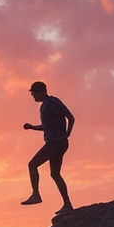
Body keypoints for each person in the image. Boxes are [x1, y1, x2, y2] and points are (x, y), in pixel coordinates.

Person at [22, 81, 75, 213]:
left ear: (40, 91)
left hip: (56, 143)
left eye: (33, 93)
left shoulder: (52, 102)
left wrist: (67, 133)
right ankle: (67, 204)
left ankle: (36, 195)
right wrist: (32, 127)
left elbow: (70, 117)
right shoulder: (44, 106)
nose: (32, 95)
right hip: (56, 142)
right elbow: (46, 127)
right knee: (55, 174)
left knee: (32, 164)